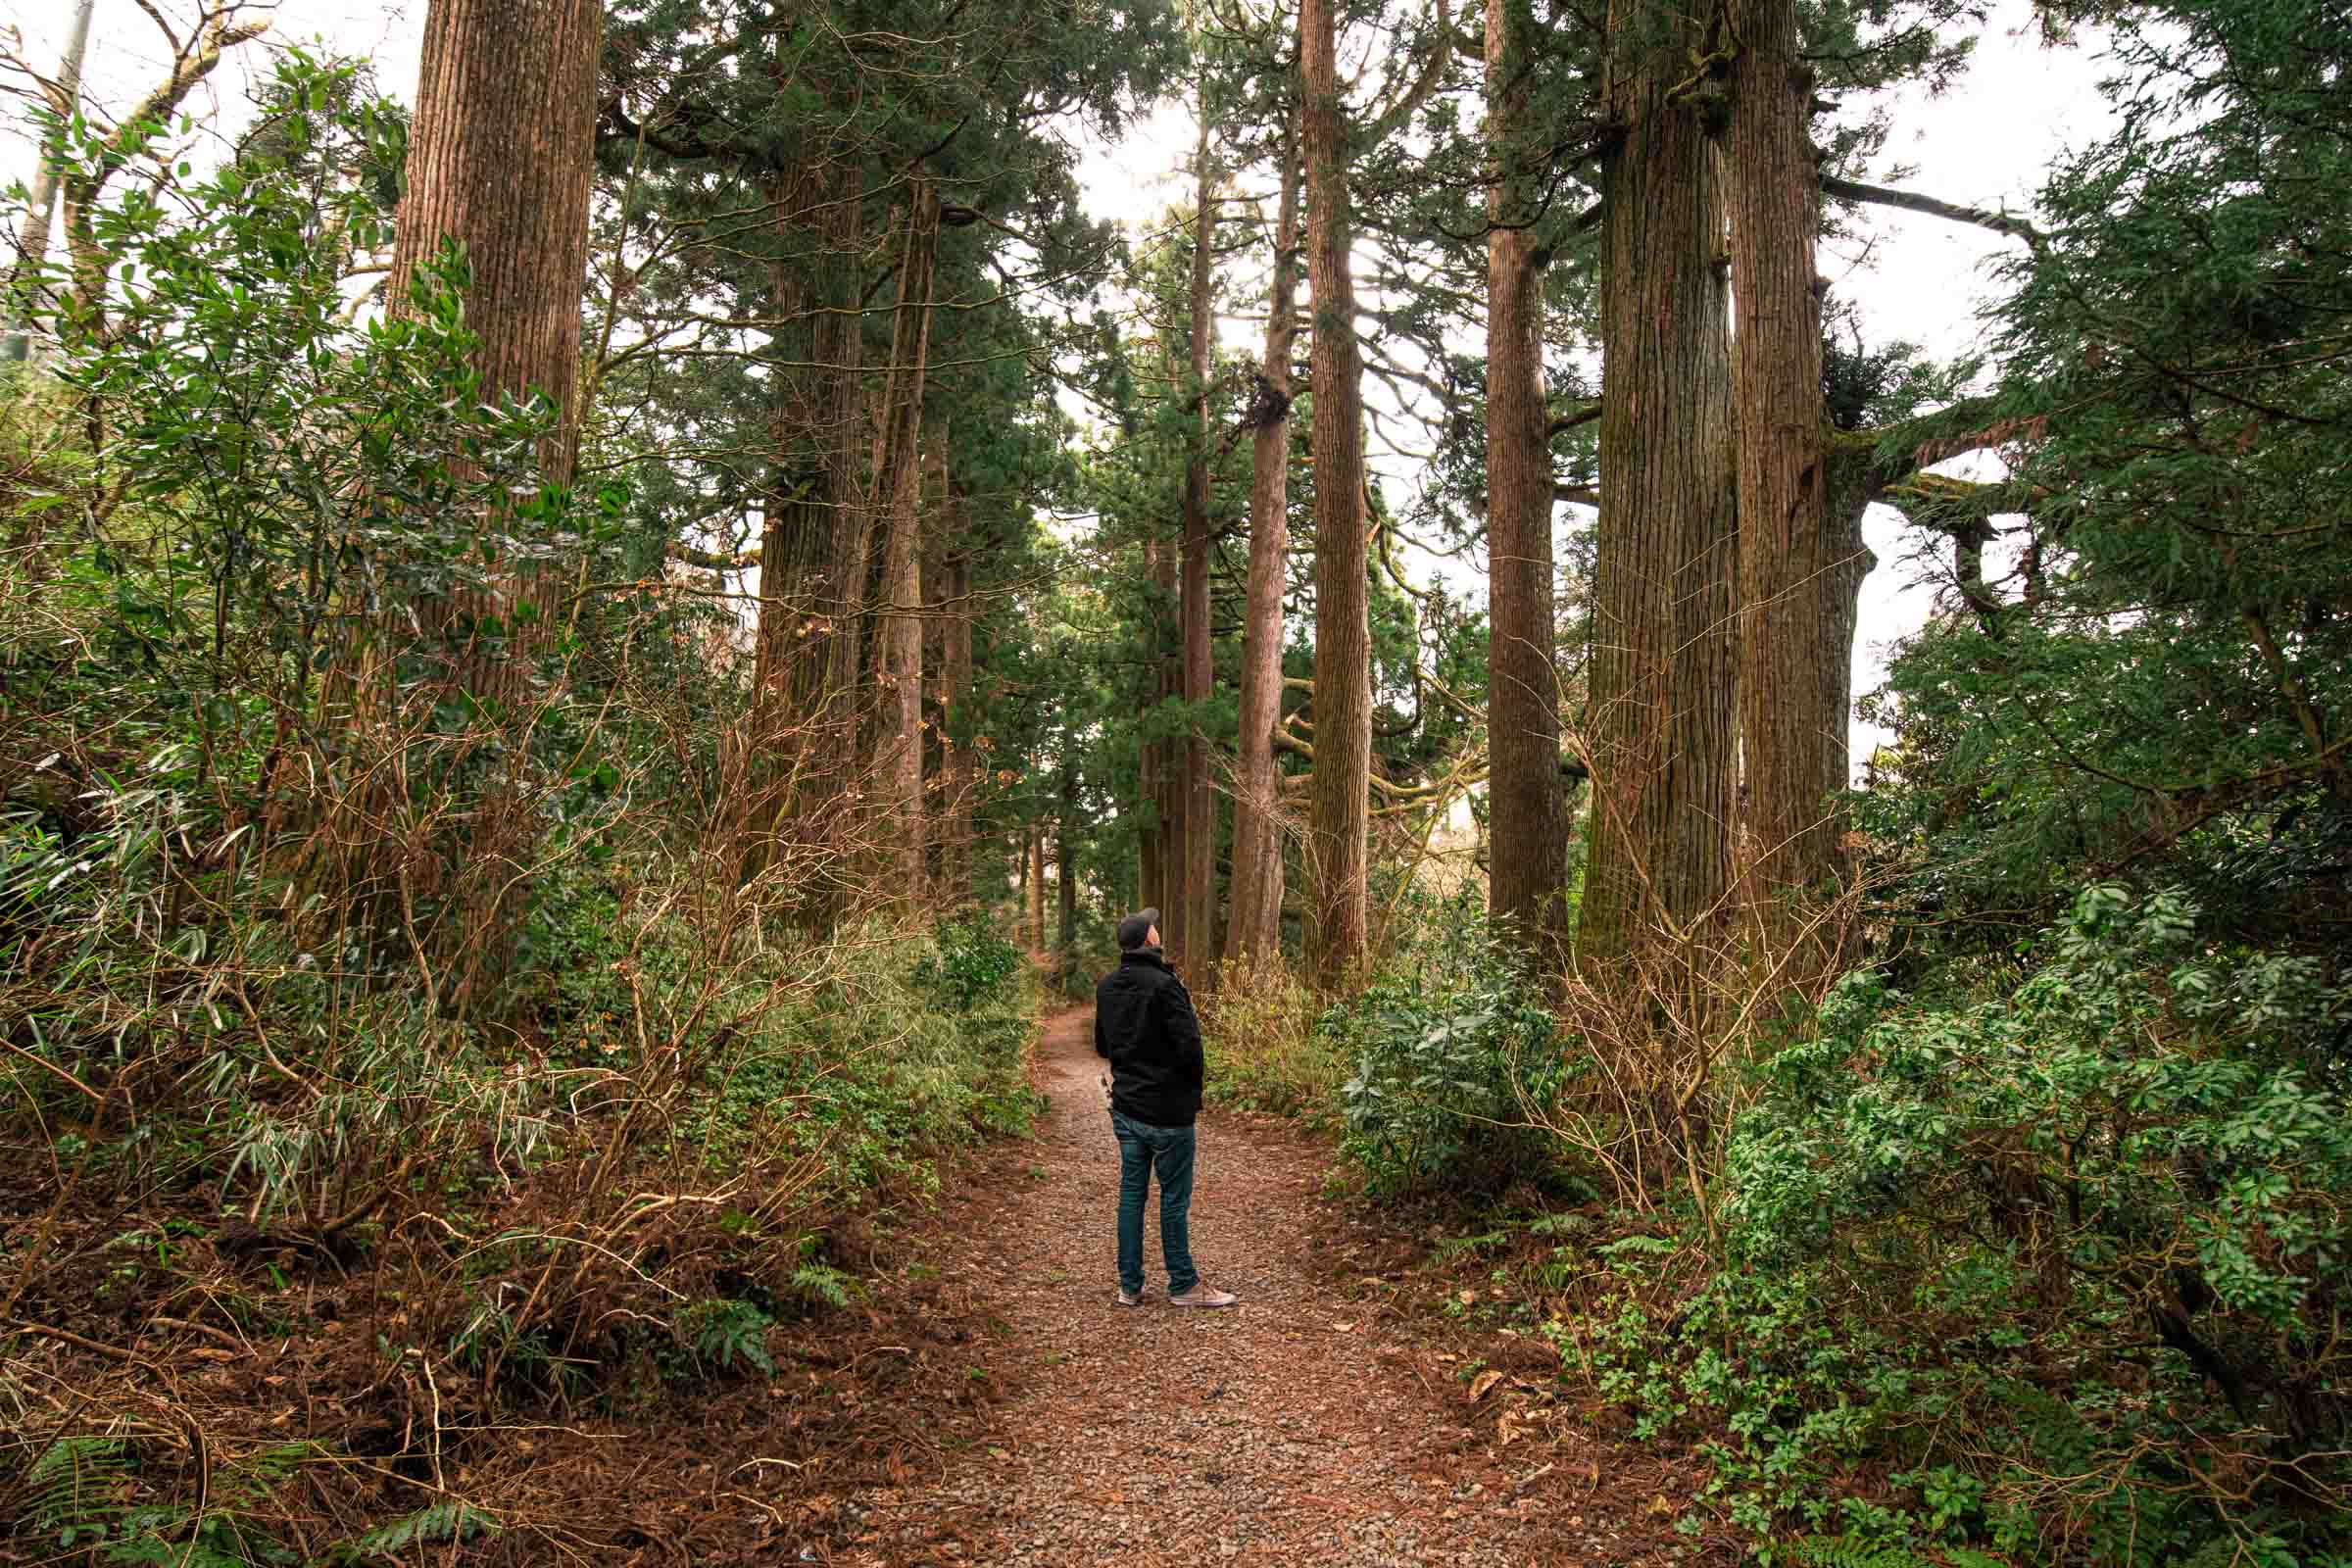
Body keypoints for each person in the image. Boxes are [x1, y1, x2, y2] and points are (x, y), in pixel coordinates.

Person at [1093, 908, 1239, 1309]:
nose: (1158, 928)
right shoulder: (1166, 986)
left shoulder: (1106, 987)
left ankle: (1130, 1286)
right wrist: (1192, 1094)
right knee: (1173, 1200)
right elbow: (1191, 1048)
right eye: (1154, 926)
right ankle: (1183, 1285)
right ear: (1149, 941)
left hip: (1127, 1107)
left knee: (1131, 1195)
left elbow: (1103, 1047)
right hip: (1169, 1113)